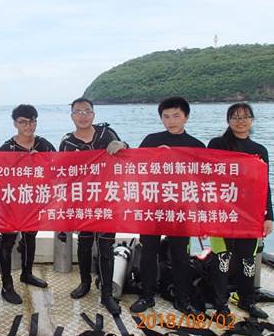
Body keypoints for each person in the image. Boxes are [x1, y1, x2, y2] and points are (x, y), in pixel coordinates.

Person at [130, 96, 204, 315]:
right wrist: (155, 156)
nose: (171, 121)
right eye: (166, 116)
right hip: (152, 205)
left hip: (181, 208)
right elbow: (135, 167)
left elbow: (203, 179)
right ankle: (147, 296)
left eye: (176, 116)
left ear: (186, 117)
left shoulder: (196, 146)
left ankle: (182, 299)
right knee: (148, 251)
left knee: (180, 255)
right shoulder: (151, 140)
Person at [59, 97, 127, 315]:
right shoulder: (67, 142)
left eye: (87, 111)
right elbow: (62, 174)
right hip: (82, 201)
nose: (83, 115)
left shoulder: (107, 134)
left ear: (93, 114)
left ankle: (107, 294)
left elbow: (127, 155)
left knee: (106, 247)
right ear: (72, 116)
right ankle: (85, 283)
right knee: (84, 243)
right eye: (78, 112)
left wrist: (123, 145)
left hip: (107, 199)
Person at [207, 102, 273, 319]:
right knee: (222, 258)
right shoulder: (217, 144)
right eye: (235, 117)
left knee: (248, 261)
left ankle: (247, 300)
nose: (240, 121)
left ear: (252, 120)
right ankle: (220, 304)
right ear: (228, 121)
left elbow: (264, 186)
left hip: (250, 216)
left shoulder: (260, 150)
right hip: (222, 213)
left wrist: (269, 216)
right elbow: (206, 177)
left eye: (245, 117)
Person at [0, 104, 55, 304]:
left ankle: (27, 273)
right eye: (23, 122)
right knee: (7, 242)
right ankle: (6, 285)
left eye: (32, 121)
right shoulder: (6, 148)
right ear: (15, 124)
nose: (28, 126)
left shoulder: (44, 144)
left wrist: (42, 161)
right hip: (12, 202)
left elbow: (59, 167)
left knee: (30, 237)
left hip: (34, 201)